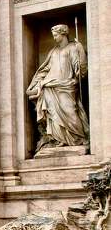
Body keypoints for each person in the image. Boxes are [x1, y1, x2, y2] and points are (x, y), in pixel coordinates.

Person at [26, 24, 89, 153]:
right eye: (53, 36)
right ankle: (57, 139)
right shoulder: (53, 51)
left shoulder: (73, 48)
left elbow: (80, 70)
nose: (54, 38)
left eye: (56, 35)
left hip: (67, 85)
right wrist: (37, 84)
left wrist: (81, 49)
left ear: (63, 34)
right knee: (53, 114)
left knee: (70, 110)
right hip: (50, 86)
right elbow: (45, 69)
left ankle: (78, 138)